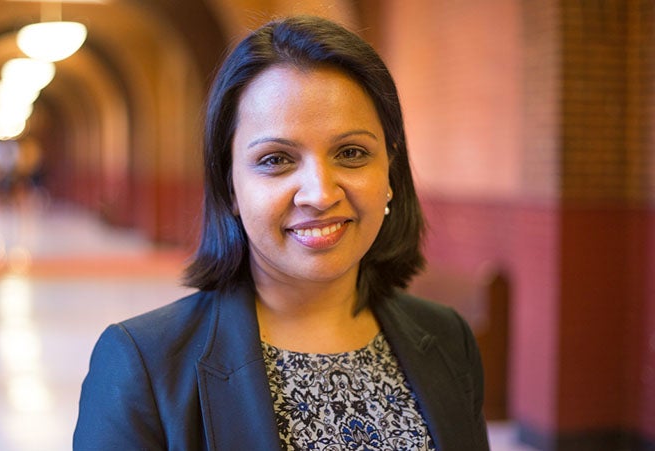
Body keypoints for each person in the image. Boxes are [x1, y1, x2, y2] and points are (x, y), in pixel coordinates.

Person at [74, 15, 489, 451]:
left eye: (351, 153)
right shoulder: (143, 363)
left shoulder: (447, 339)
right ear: (230, 185)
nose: (320, 194)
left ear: (390, 170)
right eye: (276, 159)